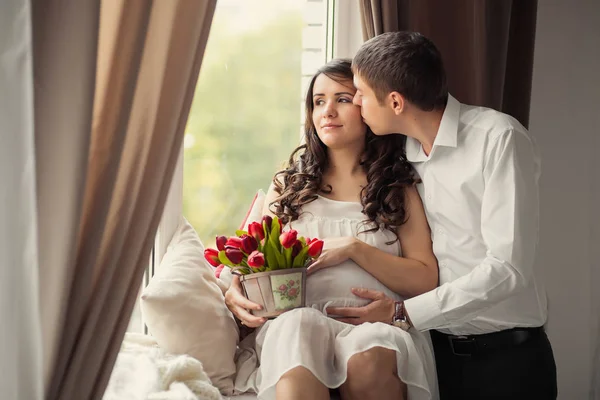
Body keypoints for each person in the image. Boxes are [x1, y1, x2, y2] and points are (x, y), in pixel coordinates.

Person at [325, 31, 557, 399]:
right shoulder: (401, 154)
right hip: (435, 359)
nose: (355, 103)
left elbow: (509, 269)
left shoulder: (498, 138)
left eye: (361, 93)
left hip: (506, 362)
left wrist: (404, 313)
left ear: (396, 102)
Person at [222, 59, 440, 400]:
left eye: (342, 99)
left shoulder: (398, 188)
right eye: (318, 101)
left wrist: (355, 248)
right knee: (296, 328)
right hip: (299, 321)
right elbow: (250, 260)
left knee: (372, 347)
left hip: (375, 325)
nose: (327, 111)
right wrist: (233, 291)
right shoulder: (287, 185)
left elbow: (426, 278)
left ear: (366, 108)